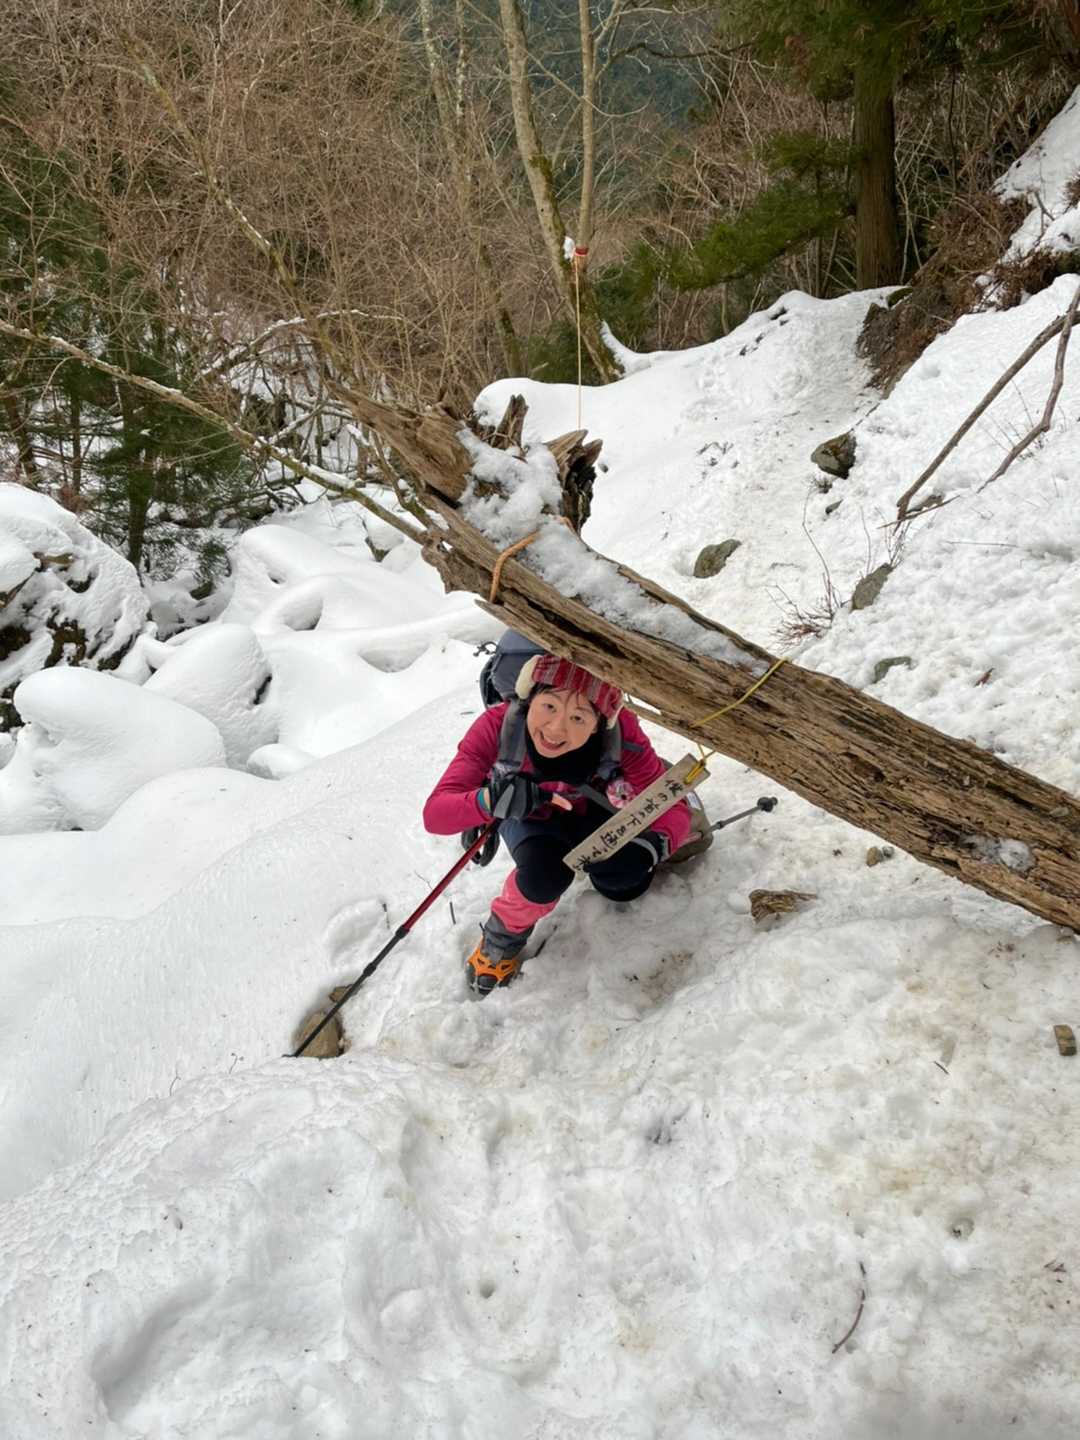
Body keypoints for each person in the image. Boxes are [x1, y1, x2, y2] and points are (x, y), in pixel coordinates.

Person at [423, 652, 692, 995]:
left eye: (578, 717)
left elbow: (672, 806)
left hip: (594, 805)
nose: (555, 729)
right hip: (528, 814)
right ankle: (500, 941)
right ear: (529, 697)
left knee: (623, 881)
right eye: (548, 706)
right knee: (542, 877)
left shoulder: (621, 733)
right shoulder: (497, 727)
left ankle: (641, 792)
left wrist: (652, 845)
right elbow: (436, 814)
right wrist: (488, 801)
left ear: (599, 723)